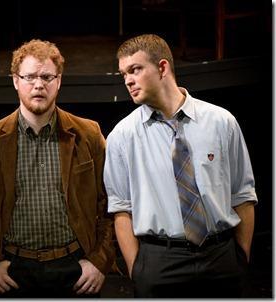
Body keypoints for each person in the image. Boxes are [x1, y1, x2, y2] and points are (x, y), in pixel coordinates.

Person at [104, 34, 257, 298]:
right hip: (159, 262)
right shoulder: (123, 136)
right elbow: (121, 209)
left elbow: (242, 194)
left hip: (221, 257)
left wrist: (240, 258)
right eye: (124, 74)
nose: (128, 80)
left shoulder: (221, 122)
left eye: (135, 70)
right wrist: (137, 270)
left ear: (162, 68)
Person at [0, 39, 115, 298]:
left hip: (75, 270)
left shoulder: (88, 133)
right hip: (12, 272)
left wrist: (99, 261)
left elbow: (109, 203)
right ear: (16, 81)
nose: (39, 84)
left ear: (59, 81)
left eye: (47, 77)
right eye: (30, 77)